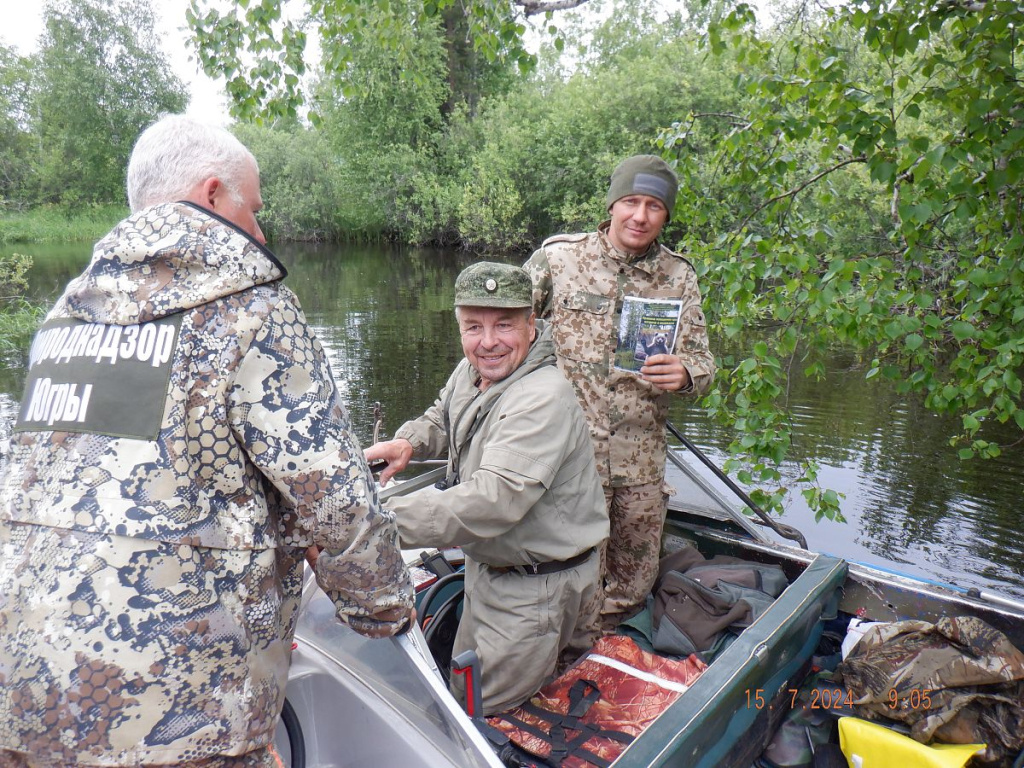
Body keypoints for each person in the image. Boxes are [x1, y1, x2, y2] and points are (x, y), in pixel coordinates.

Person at [0, 115, 414, 768]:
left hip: (28, 698)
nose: (261, 233)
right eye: (254, 210)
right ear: (215, 195)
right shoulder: (250, 306)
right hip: (178, 717)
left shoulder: (64, 319)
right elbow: (340, 510)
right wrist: (385, 611)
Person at [366, 262, 608, 715]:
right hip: (492, 568)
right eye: (473, 326)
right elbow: (445, 415)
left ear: (531, 324)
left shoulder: (543, 396)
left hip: (534, 589)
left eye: (504, 325)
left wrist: (372, 524)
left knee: (488, 715)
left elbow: (492, 500)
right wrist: (408, 442)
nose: (488, 341)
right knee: (465, 688)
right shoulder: (475, 368)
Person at [524, 154, 716, 632]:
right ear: (611, 205)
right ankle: (565, 651)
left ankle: (614, 659)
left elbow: (705, 363)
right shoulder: (558, 259)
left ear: (666, 215)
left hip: (641, 461)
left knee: (632, 584)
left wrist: (687, 374)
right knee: (564, 572)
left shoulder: (680, 276)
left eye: (654, 206)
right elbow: (501, 331)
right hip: (568, 456)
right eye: (631, 201)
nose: (640, 216)